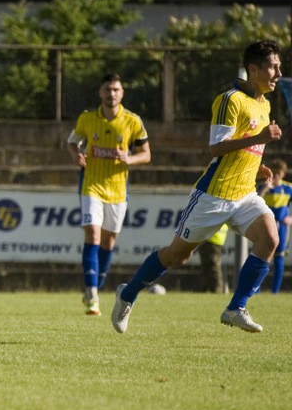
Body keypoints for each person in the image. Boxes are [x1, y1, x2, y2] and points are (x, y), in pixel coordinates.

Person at [112, 40, 283, 334]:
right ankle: (127, 294)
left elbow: (245, 147)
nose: (278, 72)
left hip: (244, 195)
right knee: (177, 256)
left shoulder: (264, 104)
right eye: (272, 66)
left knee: (269, 239)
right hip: (213, 196)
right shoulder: (230, 100)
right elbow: (216, 148)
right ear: (253, 69)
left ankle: (235, 308)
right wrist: (260, 139)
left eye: (280, 66)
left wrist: (257, 166)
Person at [67, 73, 151, 316]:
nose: (111, 94)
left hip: (117, 190)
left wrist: (130, 158)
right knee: (92, 232)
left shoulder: (133, 121)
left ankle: (96, 284)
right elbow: (72, 142)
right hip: (91, 185)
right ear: (100, 92)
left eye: (115, 89)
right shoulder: (87, 119)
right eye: (107, 89)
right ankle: (92, 292)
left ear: (122, 93)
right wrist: (75, 155)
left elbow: (146, 154)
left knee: (108, 241)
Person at [258, 158, 292, 294]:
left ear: (283, 174)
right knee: (261, 256)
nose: (276, 176)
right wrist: (266, 189)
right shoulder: (262, 187)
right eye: (274, 173)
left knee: (279, 257)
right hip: (265, 225)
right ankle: (256, 290)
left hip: (282, 227)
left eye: (279, 173)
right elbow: (255, 201)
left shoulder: (288, 188)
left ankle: (275, 292)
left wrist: (290, 218)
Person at [197, 224, 229, 293]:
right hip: (213, 240)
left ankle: (216, 290)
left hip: (211, 240)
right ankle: (207, 289)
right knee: (208, 267)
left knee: (213, 267)